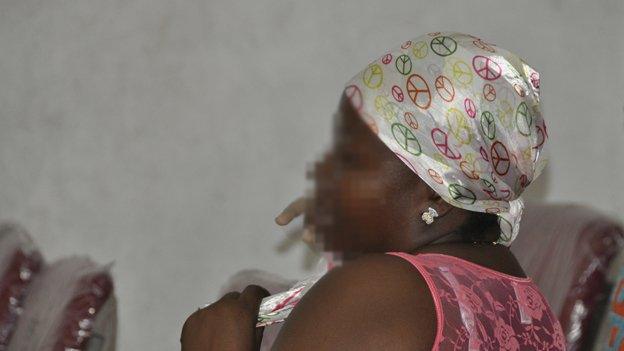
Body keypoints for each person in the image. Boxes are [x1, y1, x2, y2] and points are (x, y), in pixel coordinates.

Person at [181, 31, 565, 350]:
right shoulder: (530, 307)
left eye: (353, 161)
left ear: (436, 191)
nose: (326, 174)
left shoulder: (379, 290)